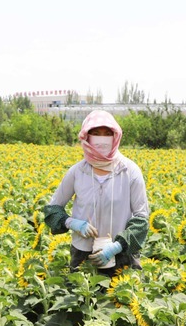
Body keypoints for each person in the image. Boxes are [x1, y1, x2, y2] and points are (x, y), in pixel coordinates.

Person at [42, 110, 150, 274]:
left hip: (122, 254)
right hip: (83, 252)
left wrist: (117, 246)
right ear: (87, 137)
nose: (102, 138)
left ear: (115, 137)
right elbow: (52, 210)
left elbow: (142, 219)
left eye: (107, 134)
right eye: (96, 133)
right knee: (82, 296)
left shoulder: (130, 171)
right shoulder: (77, 172)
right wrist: (73, 223)